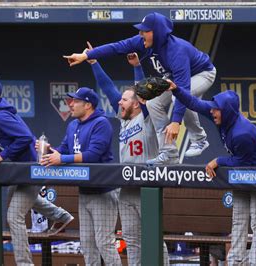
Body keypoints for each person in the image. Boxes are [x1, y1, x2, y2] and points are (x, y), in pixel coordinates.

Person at [63, 12, 217, 163]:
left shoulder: (177, 51)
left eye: (145, 30)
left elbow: (182, 88)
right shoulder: (143, 42)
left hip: (203, 73)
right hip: (173, 77)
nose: (140, 33)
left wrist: (176, 122)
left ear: (157, 32)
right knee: (152, 102)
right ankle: (168, 152)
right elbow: (118, 47)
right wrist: (86, 56)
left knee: (181, 95)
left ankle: (199, 139)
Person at [0, 77, 73, 265]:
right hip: (22, 172)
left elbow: (25, 138)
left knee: (14, 216)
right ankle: (61, 216)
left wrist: (2, 155)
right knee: (18, 203)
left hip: (30, 171)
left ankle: (25, 263)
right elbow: (2, 139)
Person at [168, 81, 256, 265]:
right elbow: (195, 103)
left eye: (216, 110)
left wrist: (219, 160)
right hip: (242, 177)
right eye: (214, 108)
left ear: (227, 111)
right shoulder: (222, 115)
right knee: (239, 220)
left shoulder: (242, 133)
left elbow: (244, 162)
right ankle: (235, 261)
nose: (212, 112)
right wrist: (176, 90)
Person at [86, 41, 170, 265]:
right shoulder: (123, 119)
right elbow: (107, 87)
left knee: (153, 237)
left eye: (124, 99)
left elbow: (143, 93)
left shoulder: (146, 116)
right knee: (131, 238)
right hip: (126, 186)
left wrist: (136, 67)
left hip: (147, 185)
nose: (119, 102)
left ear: (136, 103)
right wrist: (94, 61)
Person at [40, 87, 121, 265]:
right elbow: (64, 150)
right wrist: (48, 151)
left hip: (103, 190)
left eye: (75, 101)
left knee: (104, 243)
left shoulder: (101, 123)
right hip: (84, 191)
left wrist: (62, 159)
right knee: (87, 243)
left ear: (88, 105)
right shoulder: (73, 125)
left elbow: (93, 155)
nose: (71, 104)